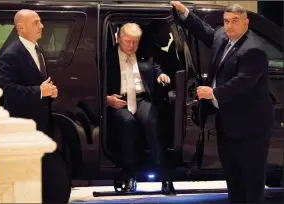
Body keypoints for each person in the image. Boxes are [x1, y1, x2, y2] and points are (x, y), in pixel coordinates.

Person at [171, 1, 274, 203]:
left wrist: (213, 92)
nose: (229, 26)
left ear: (246, 22)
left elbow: (243, 82)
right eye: (226, 21)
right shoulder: (222, 37)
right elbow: (204, 31)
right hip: (227, 123)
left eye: (234, 21)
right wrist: (184, 13)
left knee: (251, 180)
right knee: (233, 177)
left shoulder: (254, 50)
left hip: (251, 127)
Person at [0, 9, 70, 203]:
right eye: (36, 22)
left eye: (40, 22)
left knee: (49, 178)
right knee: (52, 178)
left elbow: (39, 82)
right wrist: (39, 91)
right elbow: (9, 91)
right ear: (21, 28)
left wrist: (49, 91)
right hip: (24, 125)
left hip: (42, 122)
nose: (42, 26)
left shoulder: (37, 48)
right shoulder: (10, 54)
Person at [106, 23, 176, 195]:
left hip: (141, 98)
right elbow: (96, 82)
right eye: (127, 41)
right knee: (127, 123)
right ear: (118, 39)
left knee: (152, 120)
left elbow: (157, 68)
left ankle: (163, 174)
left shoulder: (145, 52)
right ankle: (129, 173)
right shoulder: (107, 56)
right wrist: (107, 99)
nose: (131, 46)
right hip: (118, 99)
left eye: (135, 42)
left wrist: (161, 75)